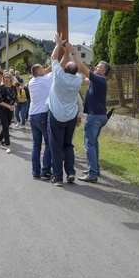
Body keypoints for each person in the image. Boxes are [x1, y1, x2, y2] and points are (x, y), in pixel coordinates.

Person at [65, 43, 111, 183]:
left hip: (95, 116)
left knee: (89, 144)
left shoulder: (99, 79)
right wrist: (69, 68)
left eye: (98, 67)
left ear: (103, 72)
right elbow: (81, 77)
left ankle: (92, 173)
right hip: (100, 116)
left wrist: (73, 53)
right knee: (93, 143)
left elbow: (84, 68)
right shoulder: (96, 80)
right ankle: (94, 168)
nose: (95, 67)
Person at [47, 34, 82, 187]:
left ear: (64, 70)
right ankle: (71, 172)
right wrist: (69, 52)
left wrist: (58, 44)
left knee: (56, 146)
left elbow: (54, 57)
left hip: (56, 115)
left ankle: (58, 178)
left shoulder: (59, 77)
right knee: (68, 145)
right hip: (71, 117)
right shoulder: (78, 80)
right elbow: (74, 66)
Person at [28, 63, 53, 180]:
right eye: (42, 68)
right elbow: (57, 67)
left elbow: (47, 70)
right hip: (42, 114)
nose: (45, 69)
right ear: (39, 72)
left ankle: (35, 171)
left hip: (32, 115)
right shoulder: (45, 81)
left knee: (36, 145)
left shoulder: (32, 81)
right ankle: (46, 170)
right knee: (48, 143)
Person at [0, 72, 18, 154]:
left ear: (11, 78)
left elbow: (16, 98)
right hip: (2, 109)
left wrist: (14, 105)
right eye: (5, 77)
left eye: (8, 77)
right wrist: (9, 106)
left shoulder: (13, 87)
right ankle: (8, 146)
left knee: (7, 126)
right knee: (5, 127)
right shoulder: (1, 87)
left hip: (11, 110)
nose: (6, 78)